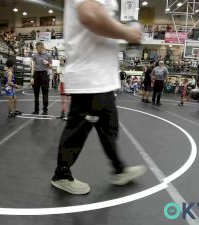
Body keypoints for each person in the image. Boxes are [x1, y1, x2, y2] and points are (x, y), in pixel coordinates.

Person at [51, 0, 146, 195]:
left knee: (109, 129)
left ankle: (119, 169)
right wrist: (129, 33)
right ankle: (61, 175)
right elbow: (90, 16)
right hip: (90, 79)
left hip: (102, 79)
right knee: (77, 130)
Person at [30, 41, 52, 115]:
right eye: (36, 48)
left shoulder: (48, 56)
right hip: (36, 74)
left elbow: (51, 67)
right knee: (36, 94)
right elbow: (32, 66)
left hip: (44, 74)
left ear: (42, 47)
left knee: (45, 93)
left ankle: (45, 110)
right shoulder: (34, 56)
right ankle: (36, 110)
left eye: (38, 48)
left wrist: (48, 63)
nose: (37, 50)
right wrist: (32, 77)